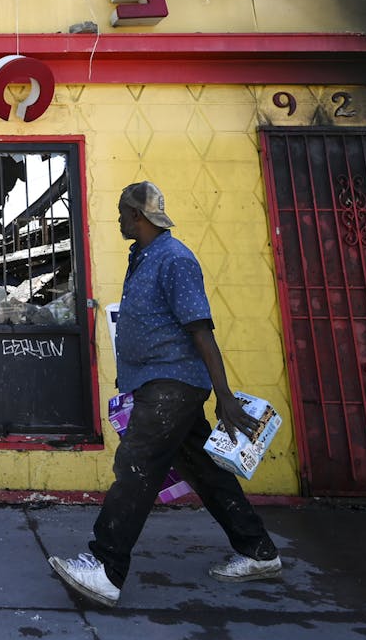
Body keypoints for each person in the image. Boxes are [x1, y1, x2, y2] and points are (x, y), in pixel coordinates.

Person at [49, 181, 281, 607]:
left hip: (173, 385)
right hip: (163, 383)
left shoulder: (174, 259)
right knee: (205, 471)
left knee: (136, 466)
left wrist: (225, 395)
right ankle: (258, 550)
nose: (118, 218)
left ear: (137, 215)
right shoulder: (144, 256)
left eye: (122, 211)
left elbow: (201, 330)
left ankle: (106, 567)